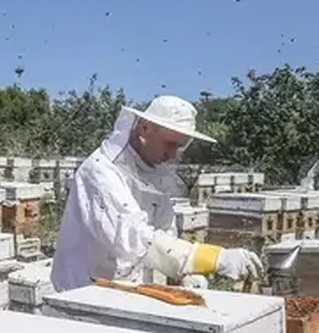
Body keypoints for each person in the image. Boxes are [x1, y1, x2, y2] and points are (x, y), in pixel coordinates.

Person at [50, 95, 264, 294]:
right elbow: (134, 237)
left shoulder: (154, 173)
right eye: (170, 144)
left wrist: (186, 271)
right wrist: (216, 258)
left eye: (179, 147)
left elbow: (163, 230)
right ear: (144, 128)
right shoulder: (100, 172)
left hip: (126, 289)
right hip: (82, 292)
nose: (172, 155)